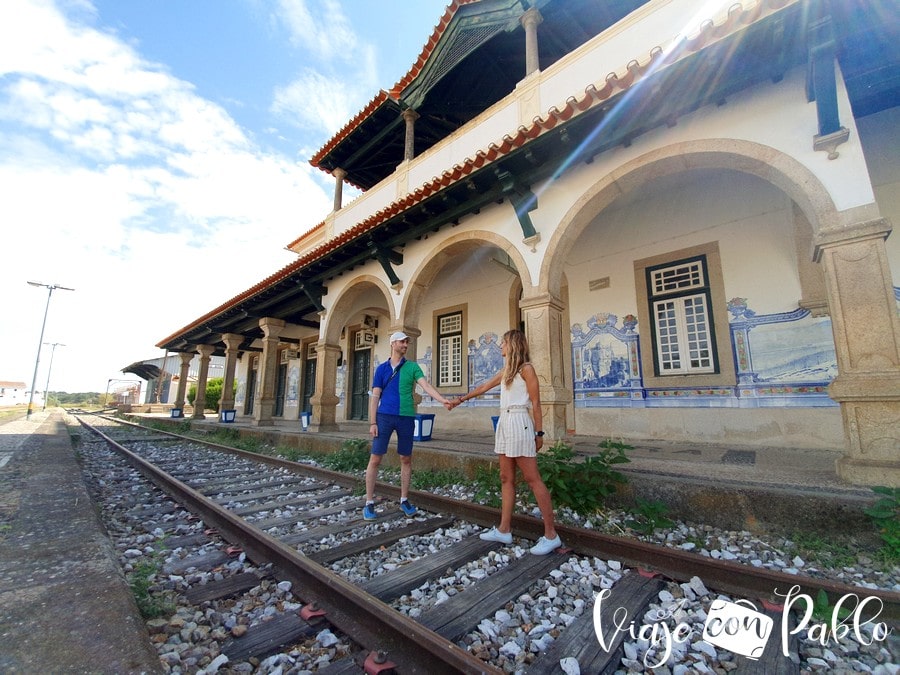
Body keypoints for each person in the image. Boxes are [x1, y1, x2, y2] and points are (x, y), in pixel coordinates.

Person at [450, 329, 562, 555]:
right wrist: (460, 400)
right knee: (505, 478)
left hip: (520, 421)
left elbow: (536, 403)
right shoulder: (507, 370)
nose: (500, 345)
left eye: (503, 342)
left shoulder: (526, 369)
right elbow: (483, 387)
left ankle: (551, 535)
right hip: (505, 421)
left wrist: (540, 433)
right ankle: (504, 529)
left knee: (532, 479)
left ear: (513, 344)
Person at [365, 331, 453, 520]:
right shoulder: (381, 369)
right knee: (375, 459)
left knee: (406, 458)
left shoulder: (412, 367)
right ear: (393, 344)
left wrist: (442, 400)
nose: (405, 345)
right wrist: (373, 422)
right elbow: (375, 397)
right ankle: (369, 502)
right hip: (384, 417)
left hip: (406, 417)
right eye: (402, 342)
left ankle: (404, 499)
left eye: (407, 342)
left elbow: (426, 386)